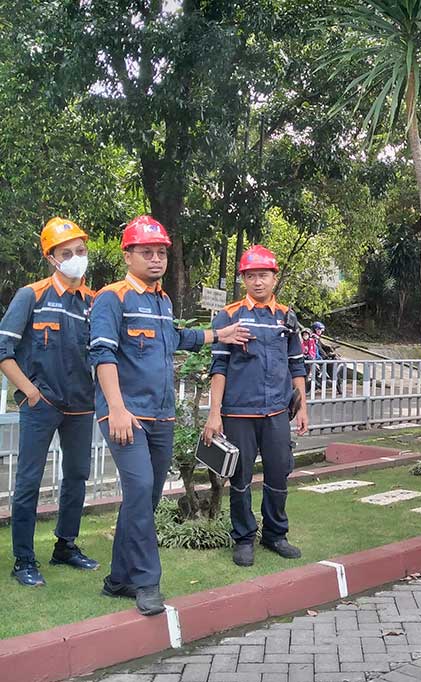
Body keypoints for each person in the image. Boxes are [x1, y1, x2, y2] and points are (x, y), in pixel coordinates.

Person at [89, 215, 250, 615]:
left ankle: (118, 579)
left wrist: (219, 335)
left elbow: (178, 337)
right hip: (126, 416)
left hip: (162, 417)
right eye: (147, 251)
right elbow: (102, 354)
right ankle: (147, 582)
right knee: (142, 490)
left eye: (161, 252)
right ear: (128, 255)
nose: (156, 258)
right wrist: (117, 408)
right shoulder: (113, 297)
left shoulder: (162, 300)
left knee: (143, 496)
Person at [0, 218, 98, 587]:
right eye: (67, 252)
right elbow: (3, 349)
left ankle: (66, 546)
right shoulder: (32, 295)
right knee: (27, 481)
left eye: (81, 251)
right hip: (42, 405)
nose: (76, 258)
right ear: (52, 259)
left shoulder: (93, 302)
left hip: (81, 406)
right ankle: (23, 559)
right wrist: (30, 391)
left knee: (77, 476)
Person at [202, 245, 309, 568]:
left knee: (279, 472)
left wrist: (302, 408)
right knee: (240, 478)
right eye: (251, 276)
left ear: (274, 278)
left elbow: (297, 365)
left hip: (277, 411)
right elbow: (218, 367)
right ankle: (244, 537)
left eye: (263, 275)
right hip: (238, 413)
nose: (258, 282)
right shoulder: (229, 316)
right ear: (243, 279)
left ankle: (275, 534)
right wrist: (214, 412)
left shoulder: (286, 317)